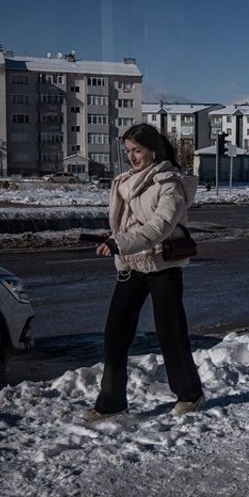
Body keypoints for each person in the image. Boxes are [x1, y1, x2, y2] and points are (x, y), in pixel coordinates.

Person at [82, 123, 205, 421]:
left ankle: (190, 394)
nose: (132, 157)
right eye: (128, 151)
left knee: (170, 335)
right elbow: (129, 224)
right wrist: (112, 237)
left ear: (153, 149)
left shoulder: (170, 184)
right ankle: (111, 402)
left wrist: (120, 242)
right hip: (131, 265)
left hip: (163, 266)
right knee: (115, 333)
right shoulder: (125, 181)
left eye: (137, 150)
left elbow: (159, 227)